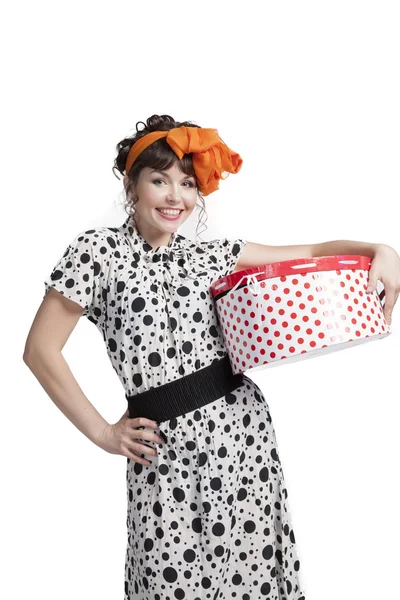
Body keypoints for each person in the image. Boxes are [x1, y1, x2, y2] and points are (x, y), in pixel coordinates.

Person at [23, 114, 400, 600]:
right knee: (169, 583)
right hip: (164, 453)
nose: (175, 196)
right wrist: (102, 432)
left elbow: (309, 250)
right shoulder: (97, 253)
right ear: (131, 184)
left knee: (252, 581)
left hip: (242, 439)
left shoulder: (212, 255)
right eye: (159, 180)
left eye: (187, 184)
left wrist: (381, 248)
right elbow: (39, 350)